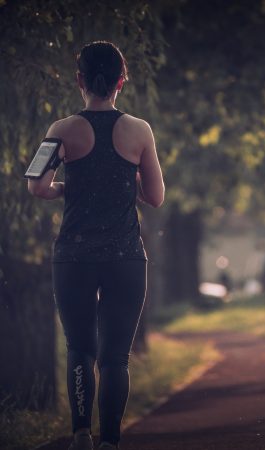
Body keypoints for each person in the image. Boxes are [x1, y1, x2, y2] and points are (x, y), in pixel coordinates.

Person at [27, 41, 165, 450]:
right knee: (115, 358)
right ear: (122, 80)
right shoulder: (139, 130)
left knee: (80, 350)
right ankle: (111, 442)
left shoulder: (61, 129)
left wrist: (73, 187)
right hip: (125, 257)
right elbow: (155, 197)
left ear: (80, 80)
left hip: (73, 256)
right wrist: (124, 182)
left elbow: (37, 186)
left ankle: (81, 435)